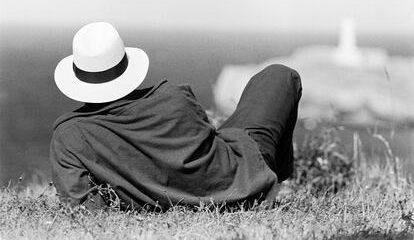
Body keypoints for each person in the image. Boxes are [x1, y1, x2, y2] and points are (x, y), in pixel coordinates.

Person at [50, 22, 302, 210]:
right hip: (243, 180)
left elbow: (84, 205)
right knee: (279, 75)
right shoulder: (173, 96)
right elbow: (209, 142)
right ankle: (272, 180)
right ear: (126, 64)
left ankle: (268, 181)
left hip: (214, 191)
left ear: (78, 77)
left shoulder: (70, 135)